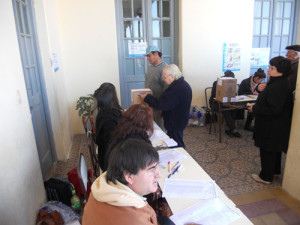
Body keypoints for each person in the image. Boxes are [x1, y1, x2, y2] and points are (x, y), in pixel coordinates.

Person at [82, 138, 167, 225]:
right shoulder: (136, 219)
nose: (159, 175)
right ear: (129, 176)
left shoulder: (101, 187)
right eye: (151, 169)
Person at [248, 56, 293, 184]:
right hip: (275, 125)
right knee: (274, 150)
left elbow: (274, 109)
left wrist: (254, 109)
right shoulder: (279, 82)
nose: (268, 70)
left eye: (272, 68)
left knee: (267, 150)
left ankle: (265, 177)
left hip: (271, 125)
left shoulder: (278, 86)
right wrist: (259, 89)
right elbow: (269, 99)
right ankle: (275, 171)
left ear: (281, 71)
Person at [141, 64, 192, 148]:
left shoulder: (177, 88)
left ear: (172, 76)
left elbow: (161, 104)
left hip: (175, 122)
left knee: (176, 143)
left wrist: (147, 98)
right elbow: (168, 103)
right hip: (178, 120)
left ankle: (181, 157)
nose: (163, 80)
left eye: (164, 77)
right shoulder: (181, 84)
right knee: (175, 140)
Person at [102, 104, 154, 171]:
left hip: (109, 172)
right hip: (119, 177)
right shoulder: (138, 142)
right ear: (147, 123)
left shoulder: (121, 130)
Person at [94, 83, 122, 171]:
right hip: (110, 161)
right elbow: (113, 143)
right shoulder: (109, 117)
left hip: (106, 154)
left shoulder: (104, 112)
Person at [209, 70, 241, 138]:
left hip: (226, 102)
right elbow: (215, 96)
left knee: (234, 109)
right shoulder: (216, 83)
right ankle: (233, 129)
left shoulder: (231, 83)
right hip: (215, 103)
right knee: (226, 110)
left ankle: (228, 128)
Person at [144, 45, 168, 129]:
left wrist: (163, 107)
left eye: (149, 55)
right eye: (147, 56)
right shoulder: (150, 68)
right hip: (149, 104)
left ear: (156, 54)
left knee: (160, 130)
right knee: (151, 128)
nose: (147, 58)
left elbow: (167, 90)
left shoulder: (165, 68)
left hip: (158, 106)